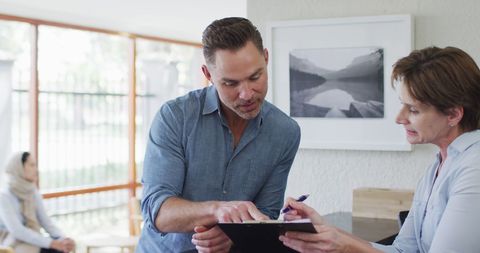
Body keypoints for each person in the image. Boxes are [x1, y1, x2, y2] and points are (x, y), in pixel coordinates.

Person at [279, 46, 480, 253]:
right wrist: (325, 230)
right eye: (403, 105)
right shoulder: (437, 168)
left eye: (413, 109)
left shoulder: (474, 169)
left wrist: (346, 246)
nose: (399, 118)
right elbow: (403, 250)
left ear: (453, 115)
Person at [137, 17, 301, 252]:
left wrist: (233, 235)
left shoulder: (286, 132)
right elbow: (158, 212)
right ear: (208, 74)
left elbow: (266, 214)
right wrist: (217, 211)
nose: (246, 94)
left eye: (255, 77)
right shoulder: (175, 117)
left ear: (266, 58)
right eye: (230, 83)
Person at [0, 152, 75, 253]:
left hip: (33, 238)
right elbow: (17, 230)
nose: (36, 170)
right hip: (12, 243)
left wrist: (62, 239)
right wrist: (52, 243)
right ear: (19, 168)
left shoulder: (32, 190)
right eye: (31, 165)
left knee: (63, 248)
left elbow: (45, 221)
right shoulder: (4, 196)